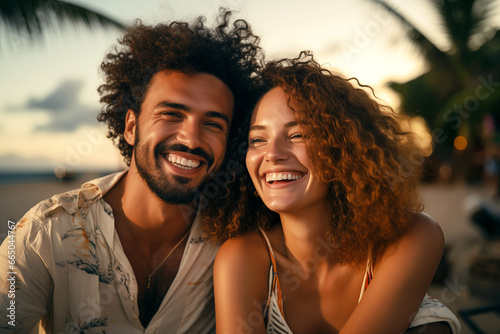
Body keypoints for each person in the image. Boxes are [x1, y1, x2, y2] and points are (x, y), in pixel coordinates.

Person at [0, 10, 264, 333]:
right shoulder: (44, 234)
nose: (192, 139)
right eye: (171, 114)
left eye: (212, 124)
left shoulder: (235, 238)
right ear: (130, 126)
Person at [211, 53, 461, 333]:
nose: (272, 154)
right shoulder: (241, 259)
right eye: (258, 139)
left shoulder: (410, 237)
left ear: (342, 147)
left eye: (297, 135)